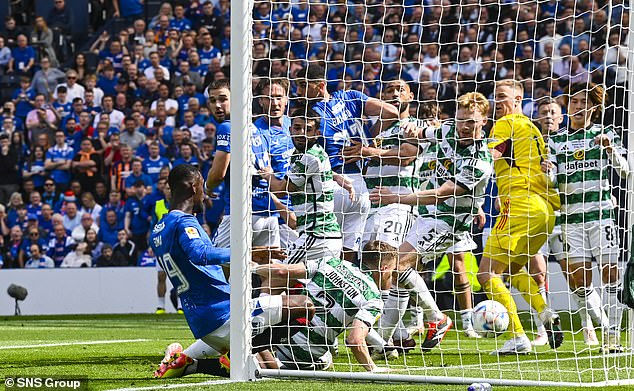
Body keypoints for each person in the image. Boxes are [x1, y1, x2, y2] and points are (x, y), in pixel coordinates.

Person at [152, 164, 314, 378]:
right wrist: (245, 252)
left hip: (202, 321)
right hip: (223, 315)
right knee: (306, 306)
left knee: (265, 369)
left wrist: (250, 256)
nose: (204, 194)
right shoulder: (184, 223)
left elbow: (198, 262)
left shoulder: (159, 230)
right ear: (193, 187)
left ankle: (190, 364)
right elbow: (200, 254)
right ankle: (236, 356)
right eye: (202, 187)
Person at [371, 91, 493, 352]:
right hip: (427, 216)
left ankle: (436, 319)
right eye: (461, 119)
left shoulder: (480, 161)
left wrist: (397, 197)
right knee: (398, 272)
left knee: (398, 265)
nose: (464, 126)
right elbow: (424, 133)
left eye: (471, 121)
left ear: (484, 120)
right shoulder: (449, 129)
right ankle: (387, 340)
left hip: (449, 222)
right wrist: (413, 129)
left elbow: (440, 193)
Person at [478, 79, 563, 355]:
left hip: (519, 206)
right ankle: (545, 313)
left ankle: (518, 336)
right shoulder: (533, 128)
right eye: (495, 97)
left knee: (486, 273)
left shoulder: (505, 124)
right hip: (544, 212)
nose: (497, 102)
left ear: (517, 101)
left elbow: (487, 157)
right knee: (513, 270)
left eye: (503, 97)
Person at [545, 83, 627, 352]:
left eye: (583, 102)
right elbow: (552, 180)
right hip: (570, 220)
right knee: (580, 281)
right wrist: (549, 170)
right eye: (574, 102)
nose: (578, 107)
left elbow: (625, 171)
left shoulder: (606, 134)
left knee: (611, 274)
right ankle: (603, 327)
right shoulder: (556, 140)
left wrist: (610, 149)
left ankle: (613, 335)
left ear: (594, 107)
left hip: (601, 216)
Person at [295, 64, 399, 262]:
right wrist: (367, 142)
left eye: (303, 85)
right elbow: (392, 112)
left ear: (320, 85)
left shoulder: (311, 113)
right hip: (360, 189)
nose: (298, 91)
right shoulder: (350, 96)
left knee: (317, 251)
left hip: (332, 184)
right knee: (348, 252)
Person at [252, 240, 393, 371]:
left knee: (280, 281)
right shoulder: (373, 298)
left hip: (274, 338)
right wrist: (373, 369)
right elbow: (354, 340)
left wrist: (252, 268)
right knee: (327, 359)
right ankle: (271, 363)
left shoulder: (332, 262)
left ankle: (255, 333)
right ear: (384, 268)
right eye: (392, 271)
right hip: (303, 356)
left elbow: (281, 272)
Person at [261, 106, 346, 263]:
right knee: (310, 286)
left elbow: (280, 190)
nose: (301, 133)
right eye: (297, 128)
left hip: (317, 236)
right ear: (290, 129)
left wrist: (268, 175)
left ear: (317, 133)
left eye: (308, 129)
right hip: (323, 235)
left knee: (275, 277)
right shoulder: (302, 154)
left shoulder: (310, 156)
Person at [204, 79, 280, 248]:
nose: (217, 105)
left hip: (242, 213)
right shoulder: (254, 128)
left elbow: (218, 174)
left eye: (223, 99)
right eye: (212, 100)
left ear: (236, 99)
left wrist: (207, 188)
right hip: (268, 214)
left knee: (213, 266)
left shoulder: (227, 127)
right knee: (270, 272)